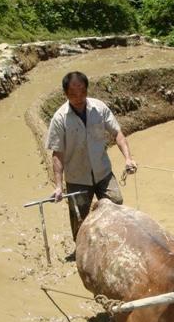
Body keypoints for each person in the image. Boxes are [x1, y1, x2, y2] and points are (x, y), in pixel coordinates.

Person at [45, 71, 137, 240]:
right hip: (77, 177)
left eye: (82, 92)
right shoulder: (60, 119)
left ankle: (111, 242)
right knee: (79, 218)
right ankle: (80, 252)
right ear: (65, 94)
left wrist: (128, 158)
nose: (78, 97)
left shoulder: (99, 108)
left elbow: (118, 134)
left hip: (103, 172)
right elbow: (57, 153)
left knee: (116, 203)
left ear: (87, 90)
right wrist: (58, 186)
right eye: (73, 94)